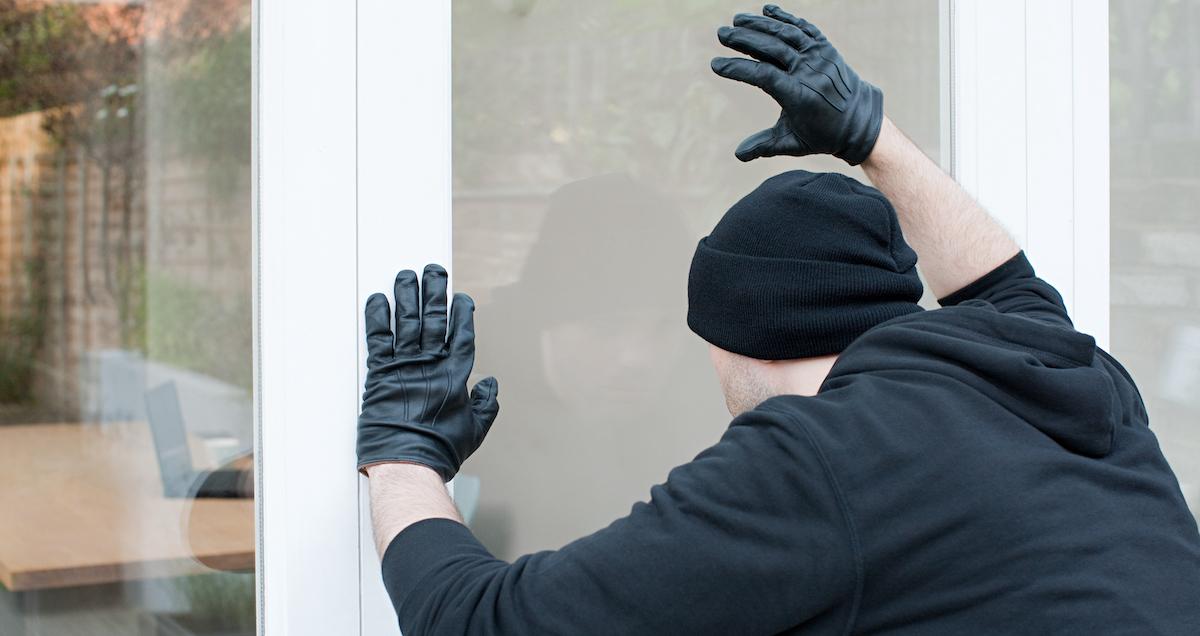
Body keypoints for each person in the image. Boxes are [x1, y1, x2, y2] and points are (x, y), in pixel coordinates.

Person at [356, 5, 1200, 634]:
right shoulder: (1051, 364)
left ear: (728, 339)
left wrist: (402, 455)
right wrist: (875, 138)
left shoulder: (818, 460)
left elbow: (484, 625)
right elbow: (1000, 279)